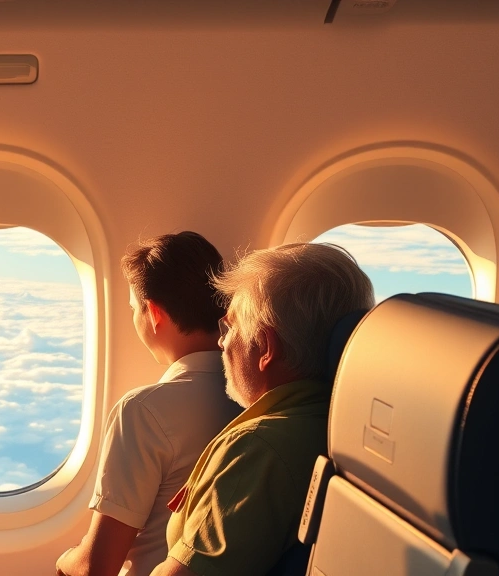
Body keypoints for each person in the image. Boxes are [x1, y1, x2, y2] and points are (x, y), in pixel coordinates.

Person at [150, 243, 375, 576]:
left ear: (266, 347)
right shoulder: (344, 422)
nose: (222, 342)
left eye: (231, 327)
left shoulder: (256, 449)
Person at [56, 232, 242, 576]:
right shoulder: (254, 399)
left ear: (154, 312)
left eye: (133, 309)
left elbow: (95, 568)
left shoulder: (142, 412)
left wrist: (64, 559)